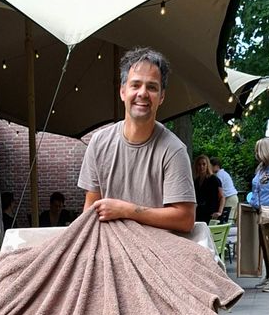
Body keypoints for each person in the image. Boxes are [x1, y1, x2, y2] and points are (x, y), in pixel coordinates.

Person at [78, 47, 196, 231]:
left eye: (152, 87)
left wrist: (126, 210)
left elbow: (185, 219)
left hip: (156, 244)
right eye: (135, 85)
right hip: (109, 241)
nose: (143, 93)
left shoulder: (174, 150)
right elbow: (90, 209)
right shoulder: (98, 143)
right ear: (123, 92)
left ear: (161, 97)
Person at [250, 137, 269, 292]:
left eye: (258, 151)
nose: (256, 154)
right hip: (260, 212)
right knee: (264, 247)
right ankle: (268, 276)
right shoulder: (261, 169)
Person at [193, 154, 225, 224]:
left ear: (207, 165)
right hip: (199, 214)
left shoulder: (214, 179)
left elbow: (222, 197)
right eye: (199, 164)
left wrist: (219, 212)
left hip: (212, 214)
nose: (201, 167)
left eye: (204, 164)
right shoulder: (196, 181)